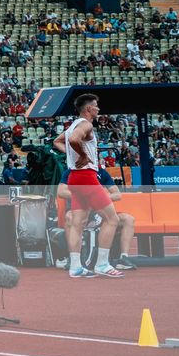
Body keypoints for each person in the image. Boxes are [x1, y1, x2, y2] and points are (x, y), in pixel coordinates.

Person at [52, 92, 125, 279]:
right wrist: (83, 156)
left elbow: (58, 142)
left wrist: (73, 155)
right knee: (112, 220)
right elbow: (74, 140)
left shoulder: (71, 126)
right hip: (86, 176)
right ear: (89, 109)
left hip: (75, 178)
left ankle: (75, 267)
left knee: (78, 224)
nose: (98, 109)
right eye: (96, 106)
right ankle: (102, 264)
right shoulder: (85, 124)